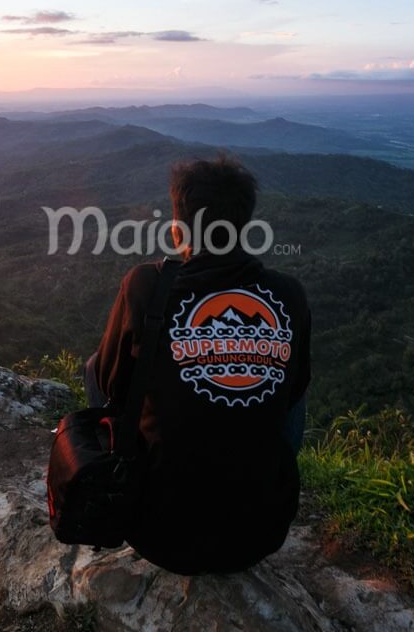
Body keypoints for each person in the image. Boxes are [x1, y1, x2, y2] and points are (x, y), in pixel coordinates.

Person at [86, 154, 311, 575]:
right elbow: (291, 392)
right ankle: (262, 473)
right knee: (294, 386)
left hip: (156, 532)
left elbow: (109, 385)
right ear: (245, 227)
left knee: (95, 366)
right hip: (260, 533)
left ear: (177, 231)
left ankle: (116, 478)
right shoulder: (288, 295)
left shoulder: (145, 285)